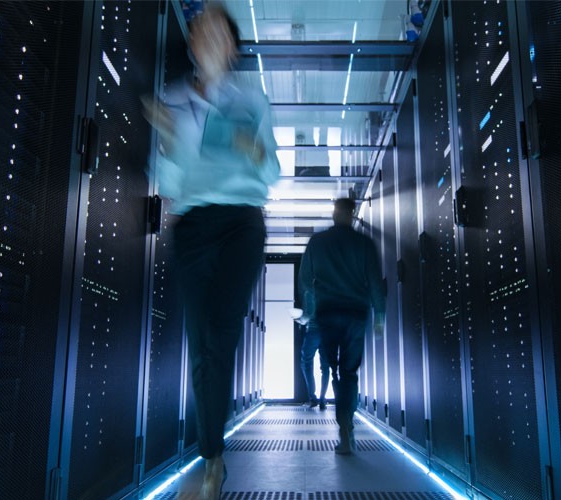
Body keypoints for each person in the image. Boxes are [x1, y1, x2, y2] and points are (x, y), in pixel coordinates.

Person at [143, 3, 280, 499]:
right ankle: (213, 458)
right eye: (201, 29)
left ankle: (211, 460)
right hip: (194, 224)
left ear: (234, 47)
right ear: (192, 42)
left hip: (242, 222)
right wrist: (166, 142)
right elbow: (173, 181)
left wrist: (256, 152)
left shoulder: (253, 100)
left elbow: (273, 175)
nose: (207, 36)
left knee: (220, 332)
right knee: (202, 339)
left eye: (218, 31)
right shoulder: (174, 98)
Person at [298, 198, 386, 455]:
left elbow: (304, 280)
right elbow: (374, 283)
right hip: (356, 314)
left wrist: (309, 311)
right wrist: (379, 315)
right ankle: (347, 421)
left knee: (333, 369)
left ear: (334, 213)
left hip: (327, 313)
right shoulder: (364, 244)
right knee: (350, 371)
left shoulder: (317, 243)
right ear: (353, 213)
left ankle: (343, 423)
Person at [298, 292, 333, 410]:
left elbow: (307, 317)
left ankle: (313, 398)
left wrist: (299, 319)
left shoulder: (310, 293)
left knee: (306, 363)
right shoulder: (331, 290)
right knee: (325, 367)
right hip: (328, 333)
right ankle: (323, 399)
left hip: (313, 331)